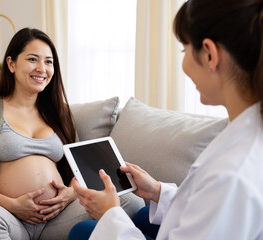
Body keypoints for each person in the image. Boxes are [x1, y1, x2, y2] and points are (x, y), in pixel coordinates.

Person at [68, 0, 263, 239]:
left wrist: (110, 213)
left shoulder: (231, 174)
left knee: (83, 231)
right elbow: (204, 209)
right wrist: (159, 191)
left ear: (210, 55)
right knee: (142, 215)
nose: (184, 64)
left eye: (184, 49)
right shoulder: (246, 135)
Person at [0, 28, 144, 240]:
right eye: (33, 59)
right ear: (11, 64)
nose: (42, 68)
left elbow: (77, 171)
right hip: (7, 215)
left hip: (58, 218)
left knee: (130, 203)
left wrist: (69, 195)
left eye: (49, 62)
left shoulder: (60, 114)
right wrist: (13, 205)